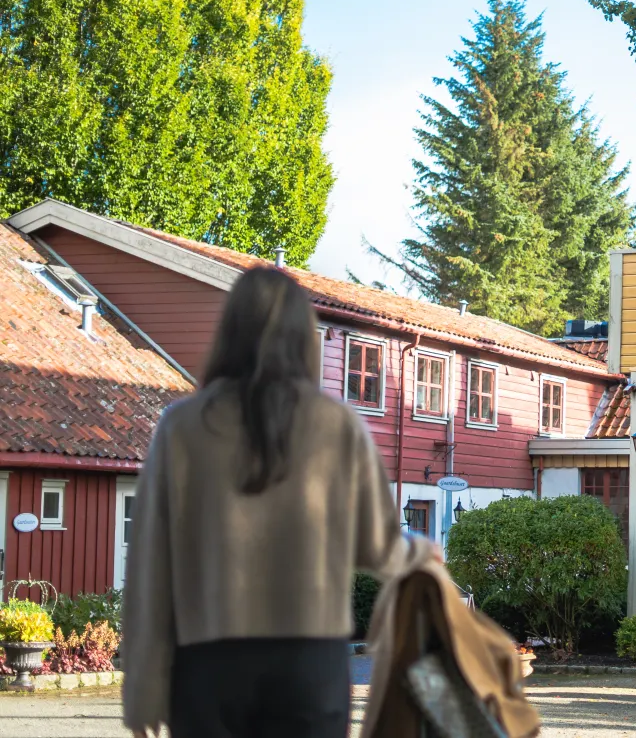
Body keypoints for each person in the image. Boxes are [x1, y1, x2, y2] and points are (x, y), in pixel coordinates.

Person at [122, 267, 421, 738]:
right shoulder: (337, 425)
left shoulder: (181, 427)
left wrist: (141, 680)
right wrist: (422, 555)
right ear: (305, 335)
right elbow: (378, 548)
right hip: (310, 661)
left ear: (229, 330)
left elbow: (150, 562)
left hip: (208, 662)